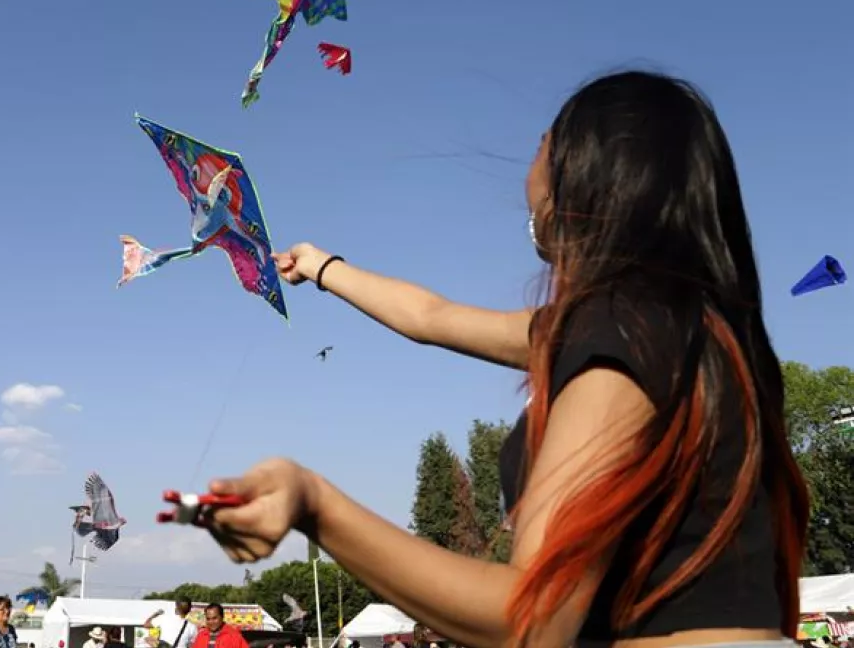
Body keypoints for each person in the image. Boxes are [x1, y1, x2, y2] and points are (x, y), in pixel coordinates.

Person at [199, 71, 808, 648]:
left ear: (587, 173)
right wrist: (324, 267)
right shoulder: (694, 329)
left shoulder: (620, 331)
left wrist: (315, 504)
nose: (530, 165)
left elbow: (534, 619)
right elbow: (431, 318)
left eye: (545, 143)